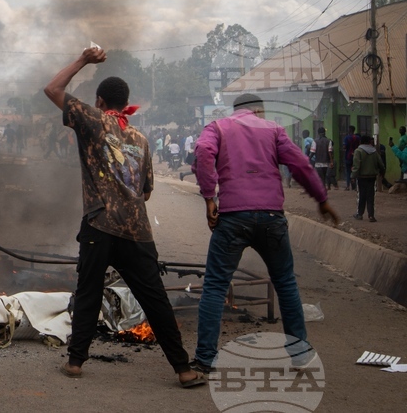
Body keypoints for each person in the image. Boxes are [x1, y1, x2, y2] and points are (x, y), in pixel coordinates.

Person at [44, 46, 205, 388]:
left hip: (99, 224)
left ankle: (75, 363)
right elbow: (146, 191)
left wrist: (83, 61)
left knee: (88, 291)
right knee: (155, 298)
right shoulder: (141, 139)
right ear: (124, 102)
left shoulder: (91, 120)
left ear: (100, 101)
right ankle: (183, 369)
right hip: (137, 230)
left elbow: (52, 90)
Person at [191, 94, 339, 373]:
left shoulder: (218, 127)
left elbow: (202, 153)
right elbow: (300, 165)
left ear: (235, 111)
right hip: (272, 217)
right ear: (258, 110)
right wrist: (322, 199)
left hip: (232, 217)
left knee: (215, 286)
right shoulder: (273, 130)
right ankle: (300, 356)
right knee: (285, 284)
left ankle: (205, 358)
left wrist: (209, 197)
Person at [353, 136, 383, 222]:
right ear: (369, 142)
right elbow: (380, 164)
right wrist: (382, 172)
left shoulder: (358, 151)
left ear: (360, 142)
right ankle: (371, 215)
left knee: (361, 196)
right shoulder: (374, 151)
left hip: (361, 177)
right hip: (372, 177)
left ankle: (360, 214)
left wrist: (353, 176)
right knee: (371, 196)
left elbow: (356, 166)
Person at [342, 126, 361, 191]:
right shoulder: (358, 138)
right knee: (355, 171)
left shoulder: (347, 138)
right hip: (356, 156)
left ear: (349, 130)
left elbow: (344, 147)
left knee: (348, 172)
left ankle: (348, 186)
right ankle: (355, 186)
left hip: (348, 156)